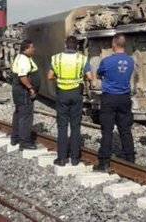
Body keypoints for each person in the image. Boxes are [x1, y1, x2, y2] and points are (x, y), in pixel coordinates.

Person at [48, 35, 93, 166]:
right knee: (75, 126)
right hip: (76, 94)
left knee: (62, 126)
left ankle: (62, 158)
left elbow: (50, 76)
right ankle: (75, 158)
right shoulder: (82, 59)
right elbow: (90, 77)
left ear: (65, 45)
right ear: (77, 46)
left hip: (62, 94)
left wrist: (60, 80)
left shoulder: (57, 58)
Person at [94, 34, 135, 172]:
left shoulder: (106, 61)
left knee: (107, 131)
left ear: (114, 45)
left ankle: (104, 162)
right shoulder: (130, 61)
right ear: (124, 45)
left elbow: (99, 74)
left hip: (109, 98)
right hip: (124, 98)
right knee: (125, 130)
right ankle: (130, 159)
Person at [10, 40, 40, 150]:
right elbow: (23, 76)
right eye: (32, 47)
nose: (34, 49)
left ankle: (15, 137)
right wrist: (31, 88)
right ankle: (25, 142)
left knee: (18, 114)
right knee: (25, 116)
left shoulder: (21, 57)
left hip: (18, 90)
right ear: (26, 49)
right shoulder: (23, 60)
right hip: (23, 91)